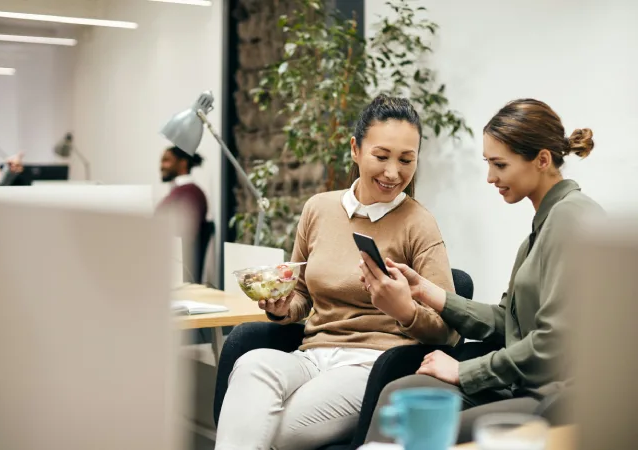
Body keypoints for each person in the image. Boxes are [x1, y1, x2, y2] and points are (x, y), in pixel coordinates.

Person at [215, 94, 459, 450]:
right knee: (252, 364)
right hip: (311, 356)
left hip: (372, 365)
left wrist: (404, 309)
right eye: (381, 156)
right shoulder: (319, 209)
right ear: (355, 149)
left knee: (274, 430)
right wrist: (282, 307)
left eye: (407, 160)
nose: (393, 172)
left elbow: (449, 329)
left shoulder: (419, 224)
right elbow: (299, 296)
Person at [361, 98, 603, 444]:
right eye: (489, 164)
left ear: (542, 160)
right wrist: (431, 294)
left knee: (411, 422)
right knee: (402, 394)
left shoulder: (570, 219)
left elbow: (554, 345)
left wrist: (463, 371)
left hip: (554, 400)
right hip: (525, 385)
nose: (490, 177)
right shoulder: (544, 226)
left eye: (500, 165)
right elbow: (509, 323)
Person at [157, 146, 208, 281]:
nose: (161, 166)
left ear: (183, 163)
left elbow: (184, 233)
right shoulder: (180, 192)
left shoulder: (190, 193)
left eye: (167, 160)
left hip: (179, 269)